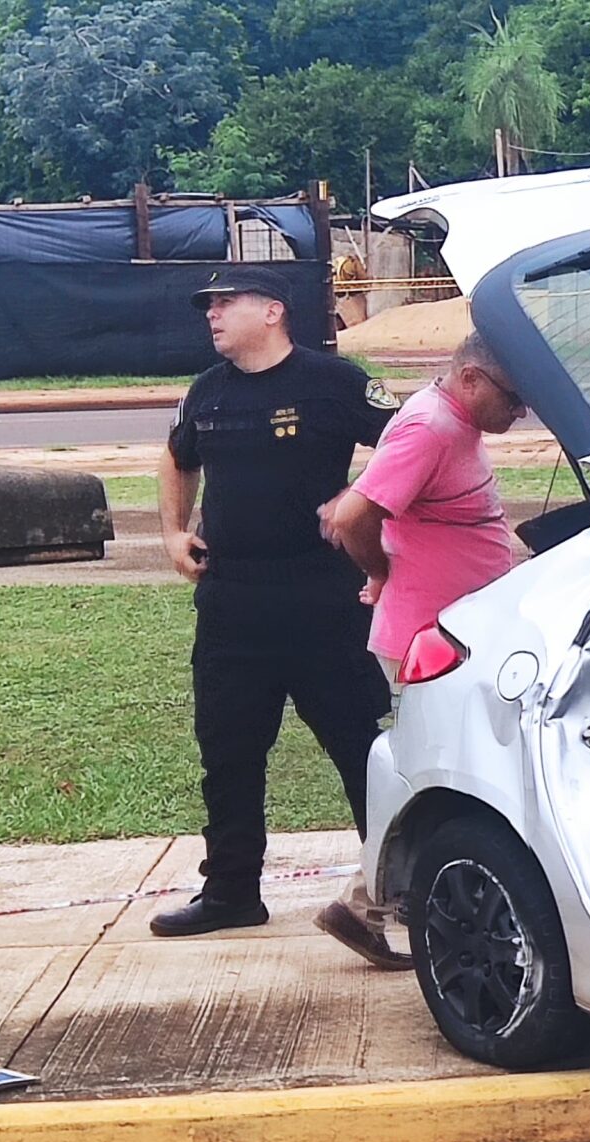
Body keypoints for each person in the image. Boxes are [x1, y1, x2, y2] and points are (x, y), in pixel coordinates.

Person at [150, 265, 400, 939]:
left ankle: (395, 889)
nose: (212, 313)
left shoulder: (335, 382)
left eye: (226, 302)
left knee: (361, 746)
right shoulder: (206, 393)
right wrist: (175, 529)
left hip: (323, 594)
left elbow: (408, 446)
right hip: (233, 601)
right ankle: (231, 890)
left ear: (273, 311)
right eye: (209, 304)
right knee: (228, 749)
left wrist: (365, 506)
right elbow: (178, 457)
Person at [308, 330, 529, 967]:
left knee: (436, 768)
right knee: (427, 772)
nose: (518, 414)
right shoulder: (431, 428)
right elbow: (349, 518)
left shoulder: (453, 427)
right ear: (471, 381)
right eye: (513, 400)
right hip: (427, 642)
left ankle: (367, 904)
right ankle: (363, 906)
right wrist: (379, 573)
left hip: (452, 634)